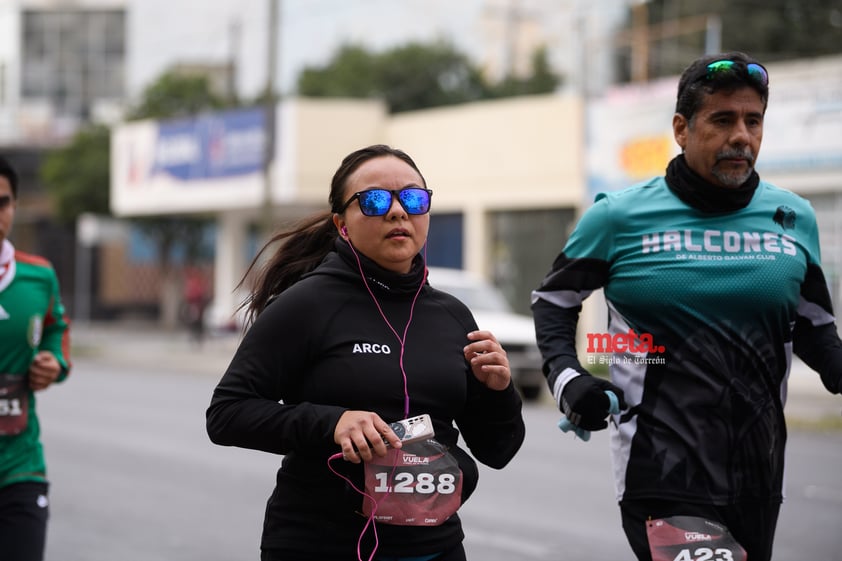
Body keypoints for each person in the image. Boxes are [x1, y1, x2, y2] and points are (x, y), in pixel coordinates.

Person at [531, 52, 842, 561]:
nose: (742, 136)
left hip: (759, 471)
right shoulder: (619, 217)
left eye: (753, 120)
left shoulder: (794, 218)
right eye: (723, 120)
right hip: (661, 468)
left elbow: (815, 328)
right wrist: (570, 379)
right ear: (681, 127)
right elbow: (553, 300)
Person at [206, 144, 526, 561]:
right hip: (320, 544)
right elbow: (226, 414)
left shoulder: (453, 316)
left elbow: (498, 451)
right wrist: (333, 422)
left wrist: (498, 390)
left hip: (435, 548)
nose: (397, 212)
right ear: (342, 224)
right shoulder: (306, 305)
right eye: (374, 201)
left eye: (412, 198)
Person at [0, 154, 72, 561]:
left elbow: (56, 330)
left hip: (20, 466)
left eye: (3, 202)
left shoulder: (38, 276)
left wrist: (52, 362)